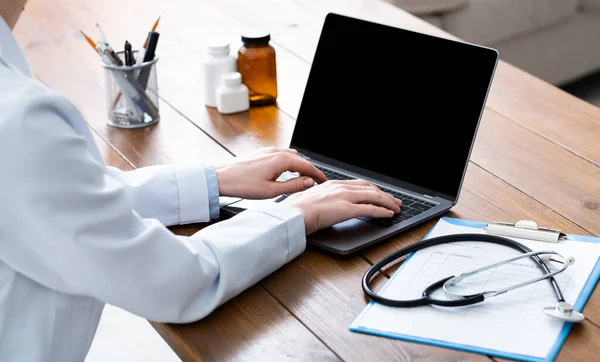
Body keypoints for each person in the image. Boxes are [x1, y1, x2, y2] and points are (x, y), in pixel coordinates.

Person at [0, 1, 402, 361]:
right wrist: (298, 213)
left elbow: (63, 200)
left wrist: (213, 180)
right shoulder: (19, 120)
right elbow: (173, 282)